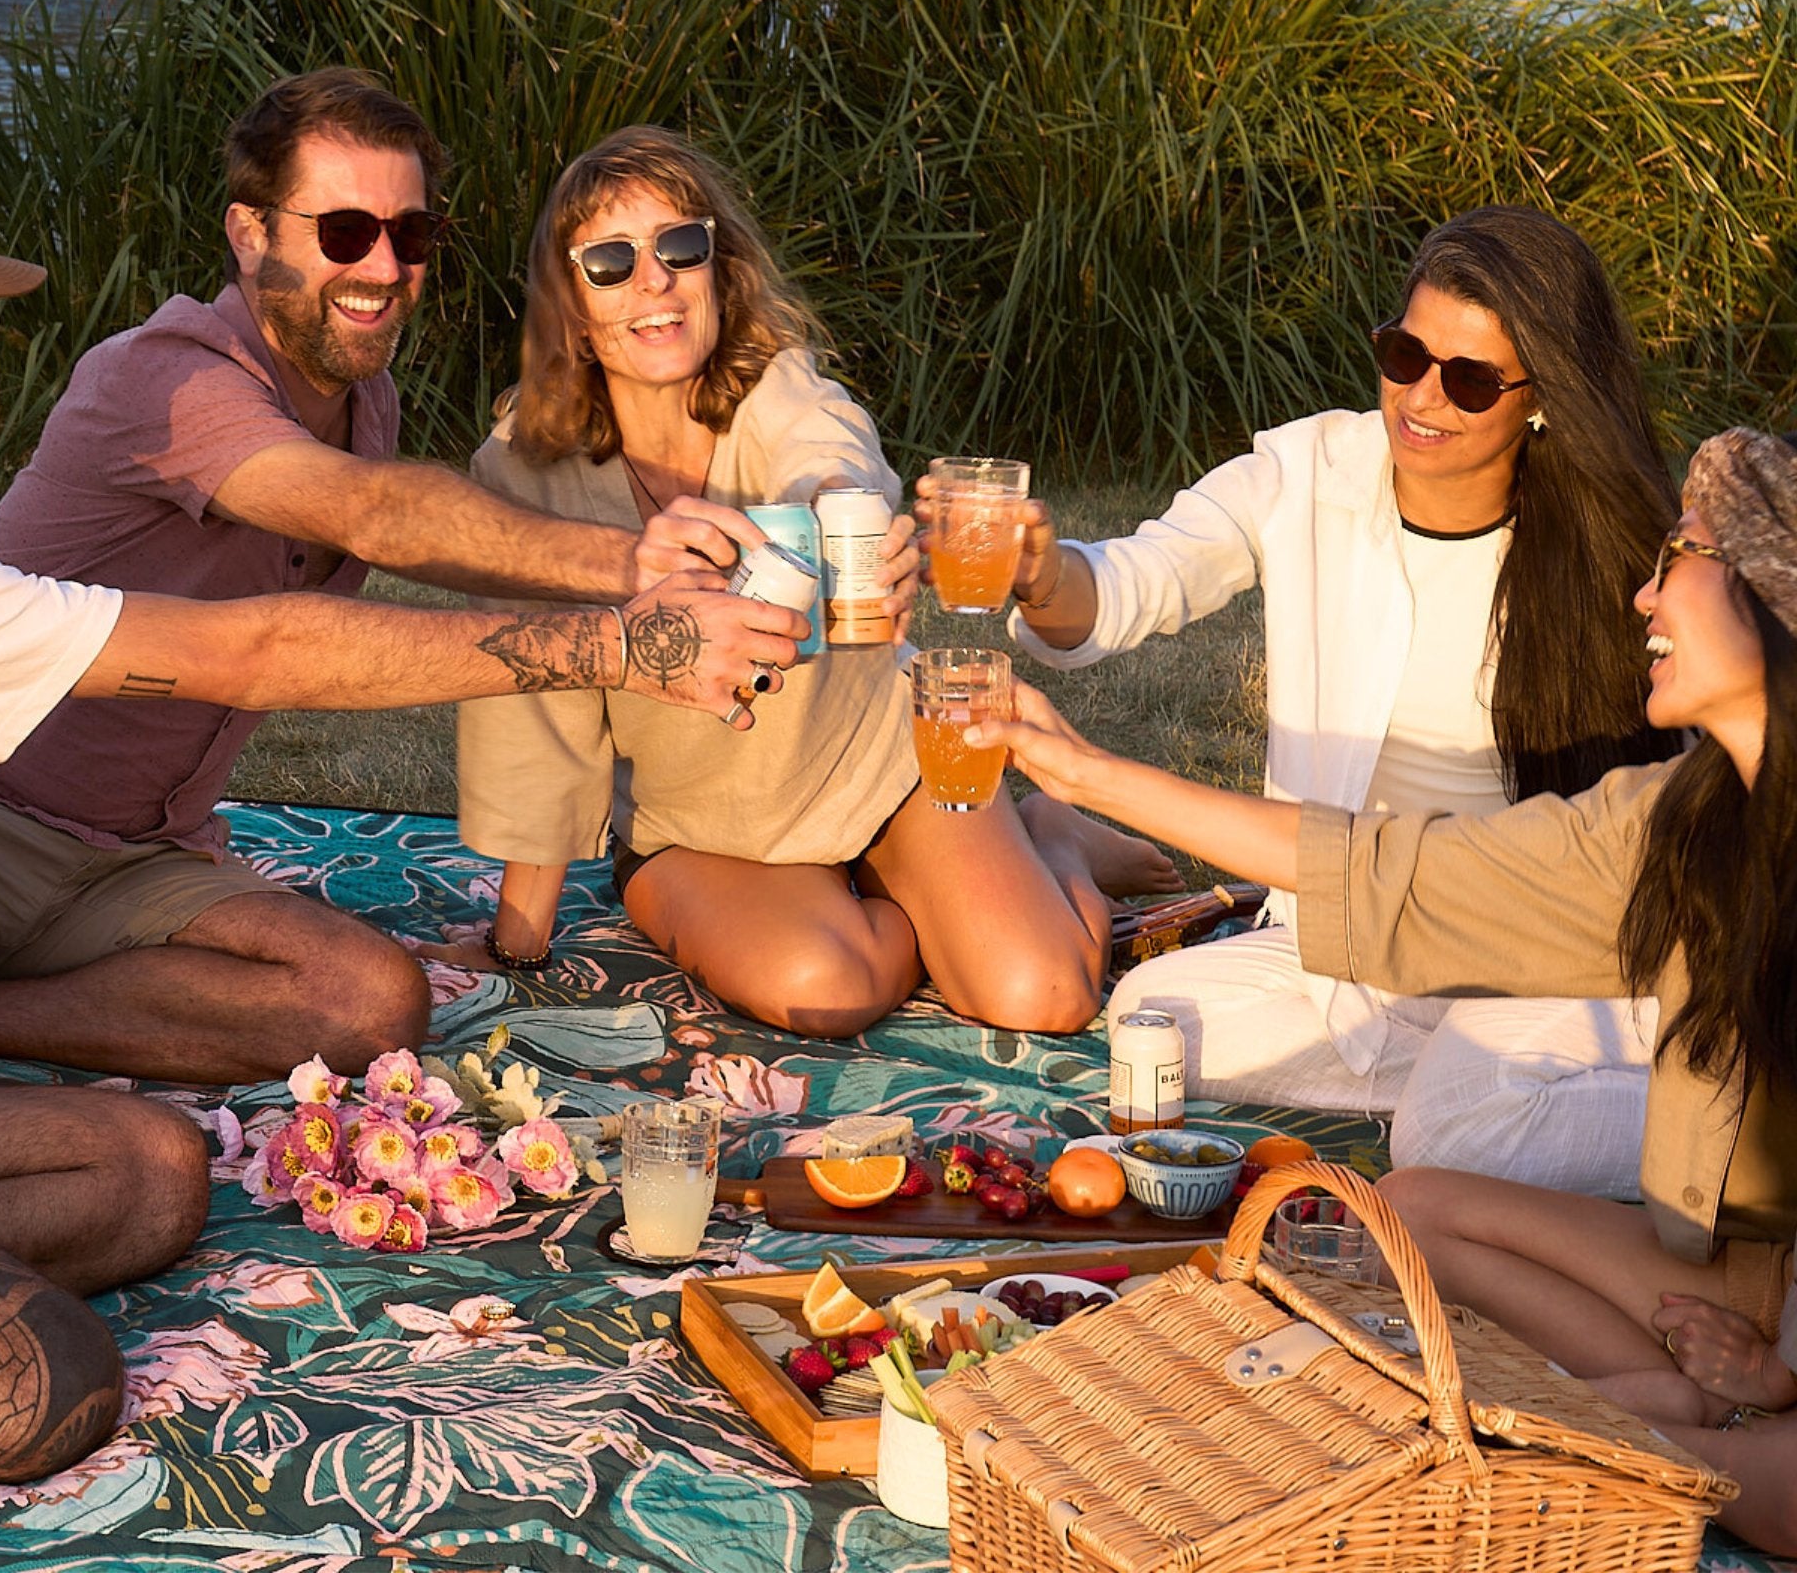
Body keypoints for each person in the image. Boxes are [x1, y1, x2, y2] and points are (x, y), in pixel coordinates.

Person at [0, 153, 795, 1480]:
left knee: (147, 1177)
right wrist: (621, 644)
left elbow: (358, 533)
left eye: (413, 231)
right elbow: (253, 648)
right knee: (40, 1380)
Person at [0, 73, 788, 1091]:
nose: (384, 266)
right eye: (346, 230)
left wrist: (662, 568)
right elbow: (363, 514)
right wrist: (633, 567)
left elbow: (413, 532)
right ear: (249, 232)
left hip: (145, 855)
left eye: (412, 235)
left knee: (371, 1001)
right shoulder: (163, 377)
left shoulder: (368, 397)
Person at [965, 427, 1797, 1556]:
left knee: (1696, 1458)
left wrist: (1782, 1371)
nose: (1643, 592)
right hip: (1752, 1279)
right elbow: (1388, 868)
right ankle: (1653, 1414)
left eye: (1684, 557)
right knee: (1411, 1204)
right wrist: (1087, 773)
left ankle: (1626, 1432)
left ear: (1773, 598)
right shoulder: (1683, 819)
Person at [955, 203, 1680, 1195]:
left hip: (1519, 942)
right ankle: (1490, 1087)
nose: (1421, 397)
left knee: (1452, 1118)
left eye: (1467, 379)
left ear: (1541, 396)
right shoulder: (1305, 472)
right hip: (1341, 934)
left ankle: (1624, 1099)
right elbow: (1135, 580)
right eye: (1402, 354)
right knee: (1151, 1024)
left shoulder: (1607, 549)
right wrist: (1043, 576)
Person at [456, 125, 1116, 1038]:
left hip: (878, 765)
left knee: (1046, 995)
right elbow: (536, 708)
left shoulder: (776, 387)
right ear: (569, 305)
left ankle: (1050, 839)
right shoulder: (525, 473)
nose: (653, 280)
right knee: (828, 990)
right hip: (704, 829)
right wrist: (519, 945)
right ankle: (924, 897)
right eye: (610, 261)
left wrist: (842, 523)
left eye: (679, 247)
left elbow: (832, 454)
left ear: (716, 270)